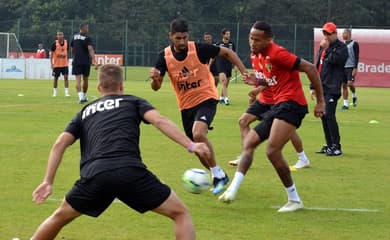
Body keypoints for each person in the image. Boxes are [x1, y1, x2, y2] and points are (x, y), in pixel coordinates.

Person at [31, 64, 210, 240]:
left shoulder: (84, 112)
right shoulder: (134, 101)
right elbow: (159, 121)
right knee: (180, 213)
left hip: (95, 174)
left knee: (59, 217)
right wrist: (191, 145)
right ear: (122, 86)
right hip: (129, 171)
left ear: (99, 88)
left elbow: (60, 143)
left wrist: (48, 181)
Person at [218, 21, 325, 212]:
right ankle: (232, 190)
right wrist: (257, 81)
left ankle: (294, 199)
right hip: (278, 104)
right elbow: (272, 78)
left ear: (269, 39)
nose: (252, 42)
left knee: (272, 151)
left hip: (293, 104)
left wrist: (320, 101)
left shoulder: (277, 53)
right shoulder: (256, 55)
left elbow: (310, 68)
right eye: (251, 38)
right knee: (249, 143)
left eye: (257, 40)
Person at [149, 18, 249, 195]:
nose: (181, 42)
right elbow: (155, 88)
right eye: (178, 38)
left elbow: (227, 53)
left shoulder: (199, 49)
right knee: (196, 146)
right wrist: (156, 80)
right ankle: (217, 173)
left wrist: (244, 72)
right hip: (186, 106)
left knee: (198, 133)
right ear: (171, 36)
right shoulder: (163, 56)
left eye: (184, 38)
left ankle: (218, 175)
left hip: (206, 98)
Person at [228, 85, 311, 169]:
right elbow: (261, 79)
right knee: (243, 121)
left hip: (277, 102)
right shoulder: (257, 71)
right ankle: (244, 156)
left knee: (289, 131)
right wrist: (253, 80)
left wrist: (258, 89)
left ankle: (303, 158)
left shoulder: (274, 71)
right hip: (262, 101)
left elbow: (271, 80)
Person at [313, 22, 348, 156]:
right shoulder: (323, 47)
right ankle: (329, 145)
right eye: (324, 33)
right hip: (321, 87)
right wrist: (313, 86)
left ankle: (336, 146)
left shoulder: (341, 48)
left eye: (329, 33)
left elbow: (337, 61)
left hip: (332, 87)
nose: (326, 36)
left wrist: (327, 49)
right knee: (323, 116)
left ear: (335, 34)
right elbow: (316, 66)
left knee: (329, 115)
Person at [71, 23, 97, 104]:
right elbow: (90, 49)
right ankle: (84, 96)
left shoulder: (74, 37)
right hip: (85, 61)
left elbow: (72, 49)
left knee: (77, 80)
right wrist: (94, 60)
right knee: (85, 80)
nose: (88, 29)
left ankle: (81, 97)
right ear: (82, 28)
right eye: (87, 28)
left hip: (76, 61)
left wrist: (74, 57)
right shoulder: (87, 38)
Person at [215, 28, 236, 105]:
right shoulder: (218, 44)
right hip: (220, 64)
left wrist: (235, 65)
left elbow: (234, 55)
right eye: (227, 34)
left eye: (229, 34)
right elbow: (213, 56)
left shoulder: (231, 44)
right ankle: (226, 99)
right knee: (224, 82)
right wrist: (209, 65)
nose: (228, 35)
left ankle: (221, 98)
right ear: (223, 35)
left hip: (229, 65)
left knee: (226, 84)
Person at [341, 28, 360, 109]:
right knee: (344, 85)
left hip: (351, 67)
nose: (342, 35)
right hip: (343, 67)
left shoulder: (354, 44)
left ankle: (354, 94)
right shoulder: (342, 44)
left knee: (350, 84)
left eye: (344, 33)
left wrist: (355, 68)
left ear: (348, 34)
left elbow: (356, 56)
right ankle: (345, 104)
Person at [50, 31, 70, 97]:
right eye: (58, 35)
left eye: (61, 34)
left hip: (65, 64)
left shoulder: (66, 43)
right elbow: (51, 54)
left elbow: (67, 52)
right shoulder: (54, 43)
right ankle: (55, 93)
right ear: (57, 36)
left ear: (63, 35)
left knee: (66, 78)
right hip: (57, 65)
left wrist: (68, 60)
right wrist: (51, 64)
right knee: (55, 78)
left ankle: (66, 92)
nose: (60, 36)